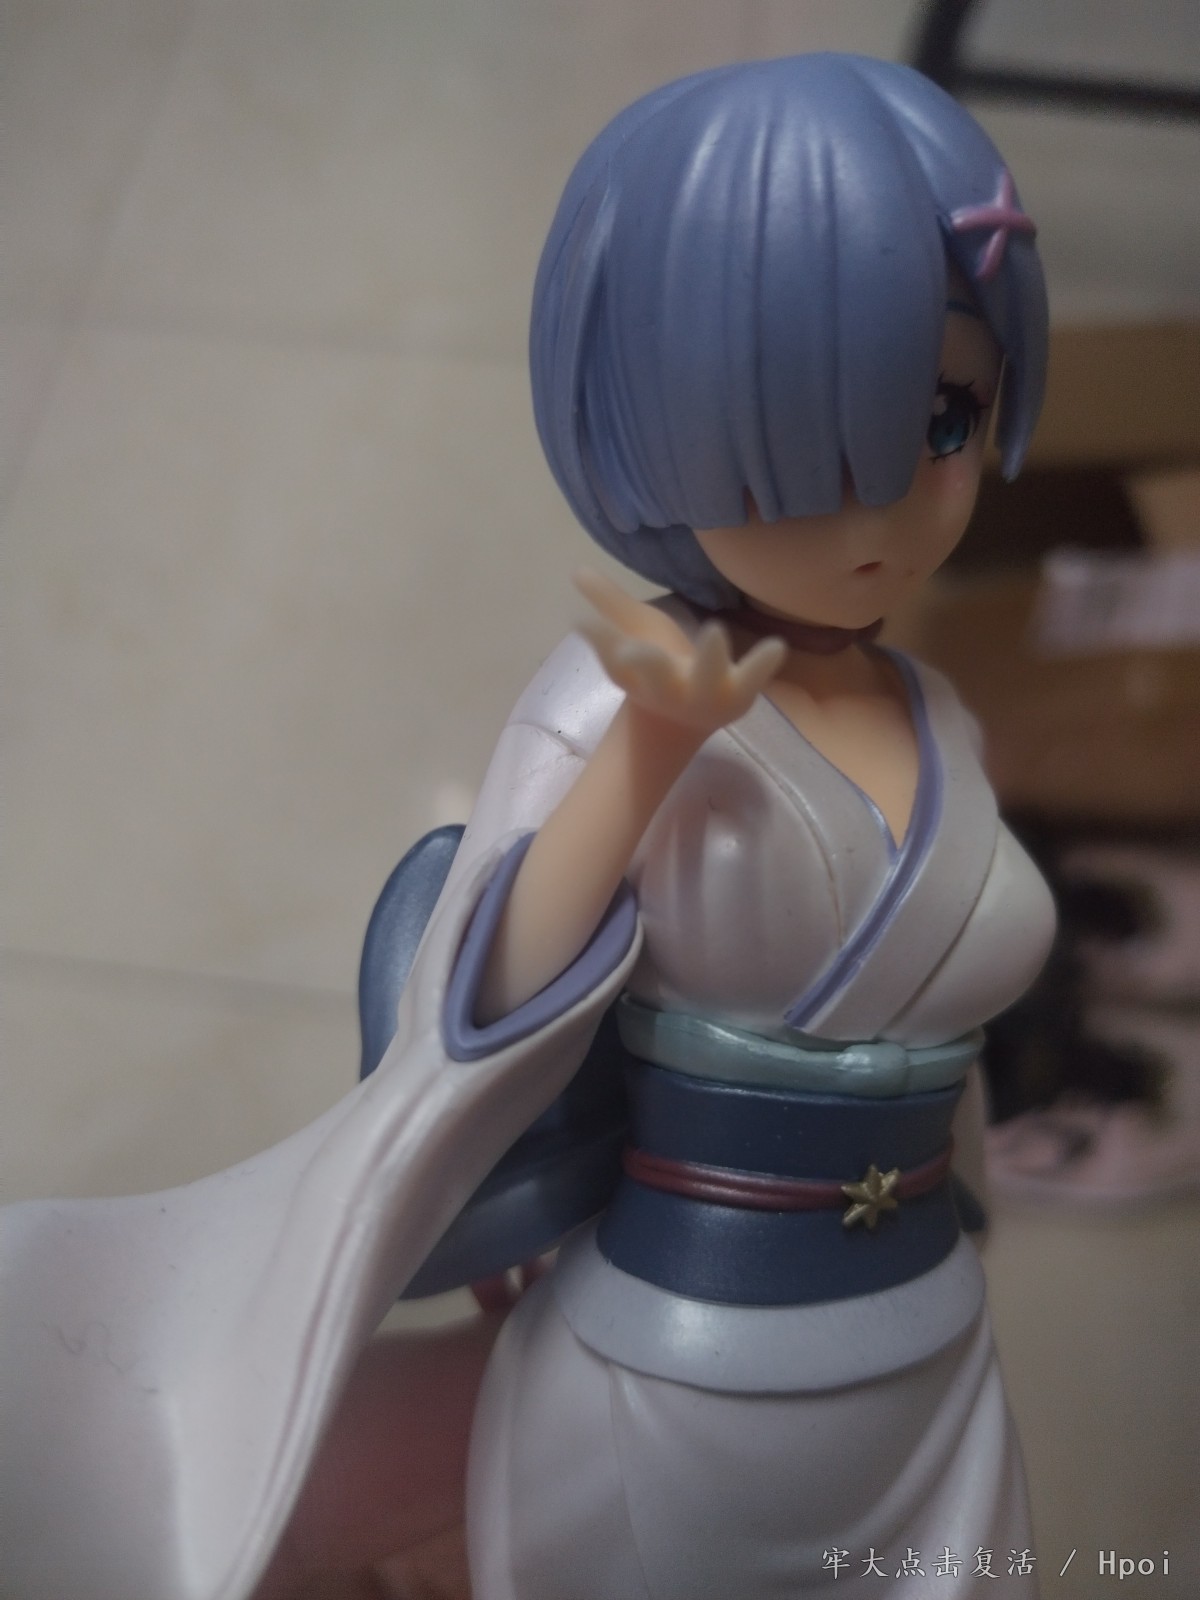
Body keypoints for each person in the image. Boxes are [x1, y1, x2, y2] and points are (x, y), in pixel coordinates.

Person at [0, 54, 1054, 1600]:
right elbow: (479, 1002)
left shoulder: (938, 717)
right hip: (681, 1369)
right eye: (795, 448)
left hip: (928, 1352)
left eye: (943, 417)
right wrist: (650, 750)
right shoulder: (617, 701)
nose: (882, 513)